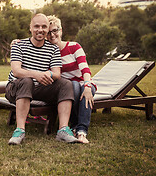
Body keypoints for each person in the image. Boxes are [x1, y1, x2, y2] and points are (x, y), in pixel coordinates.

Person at [6, 13, 79, 145]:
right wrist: (36, 74)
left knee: (65, 84)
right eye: (37, 26)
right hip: (15, 88)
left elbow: (57, 73)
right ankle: (19, 131)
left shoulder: (53, 49)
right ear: (30, 28)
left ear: (47, 29)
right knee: (27, 80)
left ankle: (63, 129)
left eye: (44, 26)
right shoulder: (18, 45)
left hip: (38, 89)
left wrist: (48, 75)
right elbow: (16, 71)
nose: (40, 30)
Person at [46, 15, 96, 144]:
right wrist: (18, 41)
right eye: (48, 32)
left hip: (85, 82)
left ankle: (81, 131)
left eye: (55, 30)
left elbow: (85, 70)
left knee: (81, 89)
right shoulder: (47, 53)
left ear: (61, 30)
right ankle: (74, 126)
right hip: (67, 88)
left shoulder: (74, 47)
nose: (52, 35)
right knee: (72, 86)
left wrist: (87, 87)